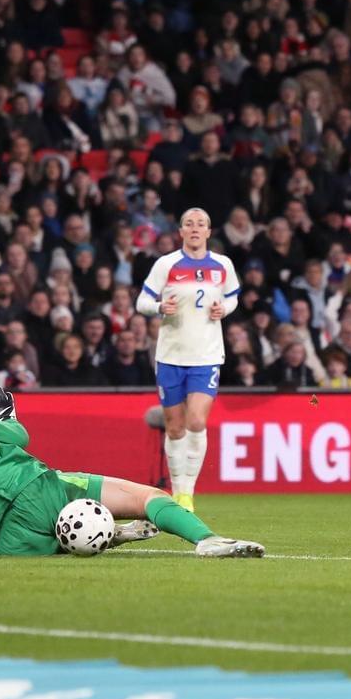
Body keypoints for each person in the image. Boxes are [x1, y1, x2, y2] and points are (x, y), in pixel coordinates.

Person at [0, 357, 263, 558]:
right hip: (34, 491)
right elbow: (19, 437)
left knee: (57, 539)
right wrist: (5, 415)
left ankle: (102, 532)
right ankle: (206, 541)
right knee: (148, 497)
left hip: (3, 542)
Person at [135, 207, 241, 512]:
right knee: (175, 426)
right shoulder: (166, 264)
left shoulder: (222, 264)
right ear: (181, 231)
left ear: (208, 231)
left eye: (200, 224)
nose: (195, 228)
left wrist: (225, 309)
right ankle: (178, 487)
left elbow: (233, 296)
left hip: (206, 355)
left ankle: (187, 493)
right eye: (189, 224)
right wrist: (159, 307)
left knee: (196, 420)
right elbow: (142, 301)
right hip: (170, 355)